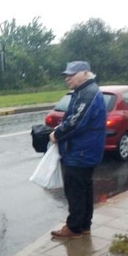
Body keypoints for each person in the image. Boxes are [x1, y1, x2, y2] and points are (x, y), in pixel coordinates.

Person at [49, 61, 107, 239]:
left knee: (75, 190)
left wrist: (57, 134)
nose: (68, 78)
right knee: (85, 189)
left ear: (85, 73)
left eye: (71, 75)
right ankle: (83, 225)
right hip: (86, 150)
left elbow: (77, 122)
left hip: (81, 151)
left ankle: (74, 228)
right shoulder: (85, 91)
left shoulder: (88, 93)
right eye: (66, 75)